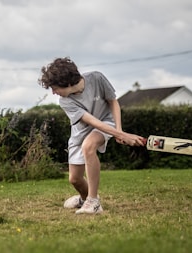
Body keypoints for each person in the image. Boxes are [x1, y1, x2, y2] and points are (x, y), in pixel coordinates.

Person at [38, 57, 146, 214]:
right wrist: (123, 134)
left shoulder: (97, 78)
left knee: (89, 146)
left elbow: (113, 101)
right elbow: (92, 122)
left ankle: (94, 202)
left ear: (66, 82)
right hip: (83, 131)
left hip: (106, 122)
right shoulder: (65, 101)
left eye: (54, 88)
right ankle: (84, 198)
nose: (54, 92)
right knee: (74, 179)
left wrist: (119, 130)